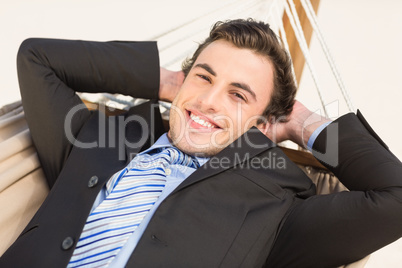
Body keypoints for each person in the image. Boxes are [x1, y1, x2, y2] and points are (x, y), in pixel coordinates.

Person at [1, 18, 401, 268]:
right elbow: (38, 59)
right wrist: (174, 83)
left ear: (261, 123)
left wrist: (300, 122)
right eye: (205, 78)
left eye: (238, 95)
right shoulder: (93, 140)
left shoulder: (277, 212)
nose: (208, 101)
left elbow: (396, 199)